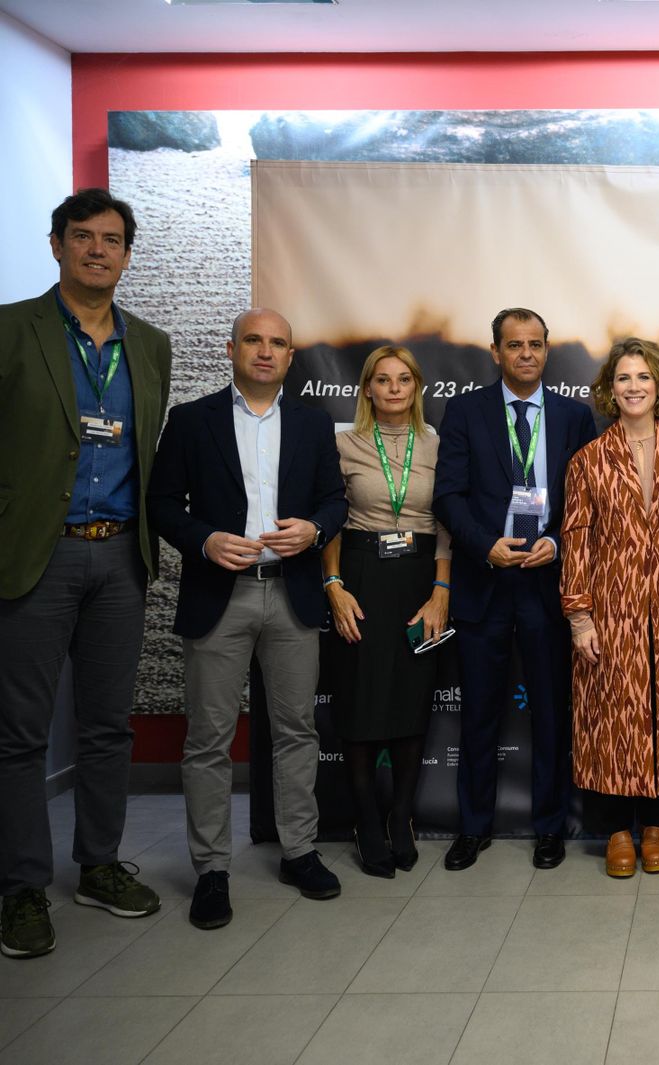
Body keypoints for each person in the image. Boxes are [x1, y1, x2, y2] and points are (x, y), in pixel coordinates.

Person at [0, 188, 172, 960]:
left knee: (108, 724)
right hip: (39, 551)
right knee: (20, 733)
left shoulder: (150, 344)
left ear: (128, 253)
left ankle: (99, 862)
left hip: (120, 556)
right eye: (83, 237)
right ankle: (21, 888)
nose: (98, 250)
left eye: (111, 239)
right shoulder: (11, 331)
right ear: (57, 245)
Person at [147, 308, 348, 930]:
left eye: (278, 343)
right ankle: (212, 870)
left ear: (291, 357)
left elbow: (334, 501)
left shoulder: (314, 426)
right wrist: (203, 539)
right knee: (208, 740)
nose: (265, 352)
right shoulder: (190, 420)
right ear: (232, 349)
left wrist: (315, 529)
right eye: (254, 341)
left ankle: (299, 851)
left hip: (292, 595)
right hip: (220, 594)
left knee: (295, 730)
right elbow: (159, 503)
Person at [433, 308, 598, 872]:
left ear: (547, 350)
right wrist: (485, 546)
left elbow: (586, 501)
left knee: (552, 715)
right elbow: (448, 497)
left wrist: (556, 539)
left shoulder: (575, 417)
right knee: (479, 714)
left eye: (535, 344)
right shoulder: (466, 411)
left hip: (549, 586)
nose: (525, 354)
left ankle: (550, 827)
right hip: (486, 581)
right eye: (514, 345)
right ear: (496, 352)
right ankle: (473, 827)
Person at [562, 338, 659, 878]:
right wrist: (580, 617)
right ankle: (617, 832)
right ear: (610, 388)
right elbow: (575, 540)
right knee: (611, 720)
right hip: (610, 611)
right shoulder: (589, 460)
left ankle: (655, 828)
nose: (633, 387)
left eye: (643, 377)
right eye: (623, 378)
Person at [321, 346, 451, 878]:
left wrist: (442, 590)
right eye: (383, 379)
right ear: (367, 388)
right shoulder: (342, 443)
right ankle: (366, 821)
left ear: (416, 387)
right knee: (359, 702)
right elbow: (330, 517)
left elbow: (447, 522)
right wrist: (333, 584)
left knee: (409, 701)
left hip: (420, 578)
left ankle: (402, 819)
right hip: (361, 576)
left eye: (404, 379)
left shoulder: (438, 444)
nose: (394, 388)